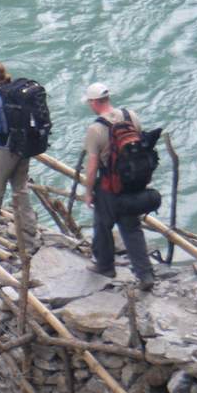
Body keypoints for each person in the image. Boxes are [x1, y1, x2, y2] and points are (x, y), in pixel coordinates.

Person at [81, 82, 156, 291]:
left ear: (94, 102)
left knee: (102, 225)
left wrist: (88, 192)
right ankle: (145, 273)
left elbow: (93, 165)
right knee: (132, 228)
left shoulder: (95, 129)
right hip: (133, 183)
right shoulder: (131, 116)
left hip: (109, 187)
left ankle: (105, 266)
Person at [0, 61, 35, 238]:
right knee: (20, 187)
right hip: (24, 145)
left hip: (6, 148)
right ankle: (28, 228)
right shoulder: (18, 90)